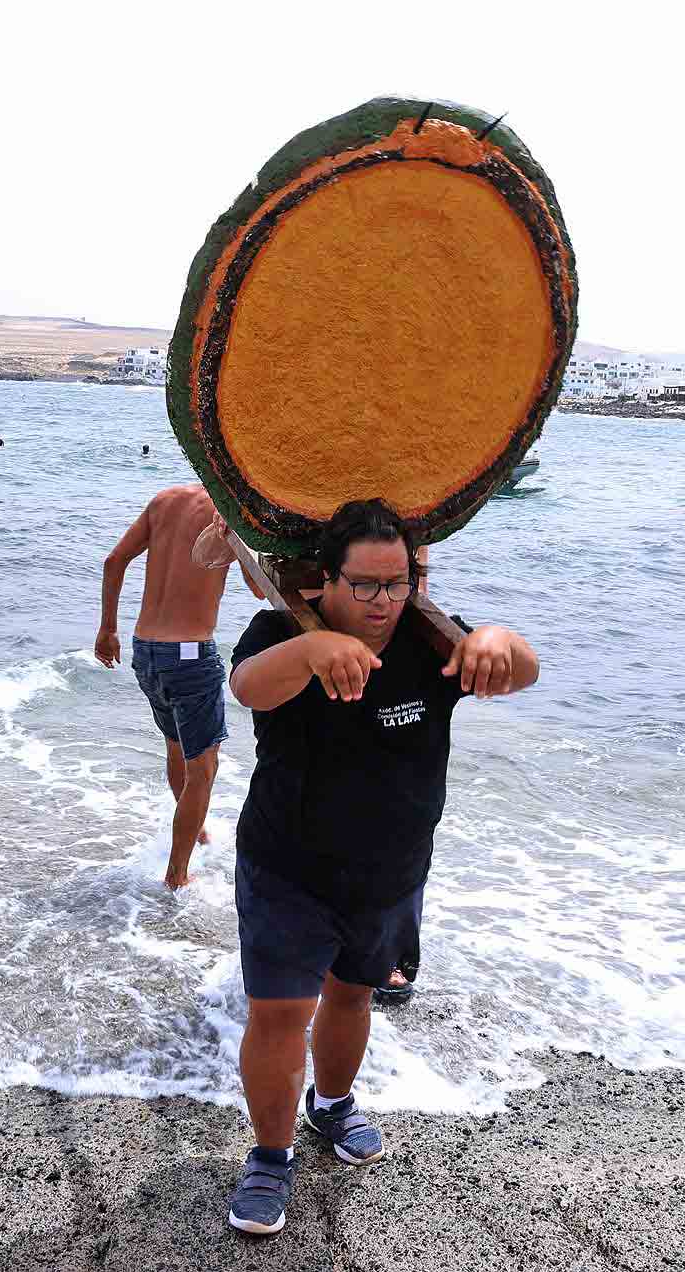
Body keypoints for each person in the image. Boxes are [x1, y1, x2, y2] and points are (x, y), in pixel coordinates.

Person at [222, 500, 538, 1236]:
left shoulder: (430, 638)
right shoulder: (279, 631)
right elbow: (246, 689)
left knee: (351, 998)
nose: (382, 602)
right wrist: (309, 653)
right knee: (277, 1014)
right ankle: (270, 1156)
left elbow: (519, 672)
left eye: (397, 583)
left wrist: (498, 638)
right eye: (364, 585)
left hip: (390, 868)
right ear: (325, 578)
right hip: (286, 865)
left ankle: (330, 1107)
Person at [95, 486, 257, 889]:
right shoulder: (230, 511)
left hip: (145, 650)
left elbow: (114, 561)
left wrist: (107, 628)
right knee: (203, 769)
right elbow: (258, 588)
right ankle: (178, 875)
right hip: (190, 656)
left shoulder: (163, 500)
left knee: (177, 748)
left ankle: (195, 831)